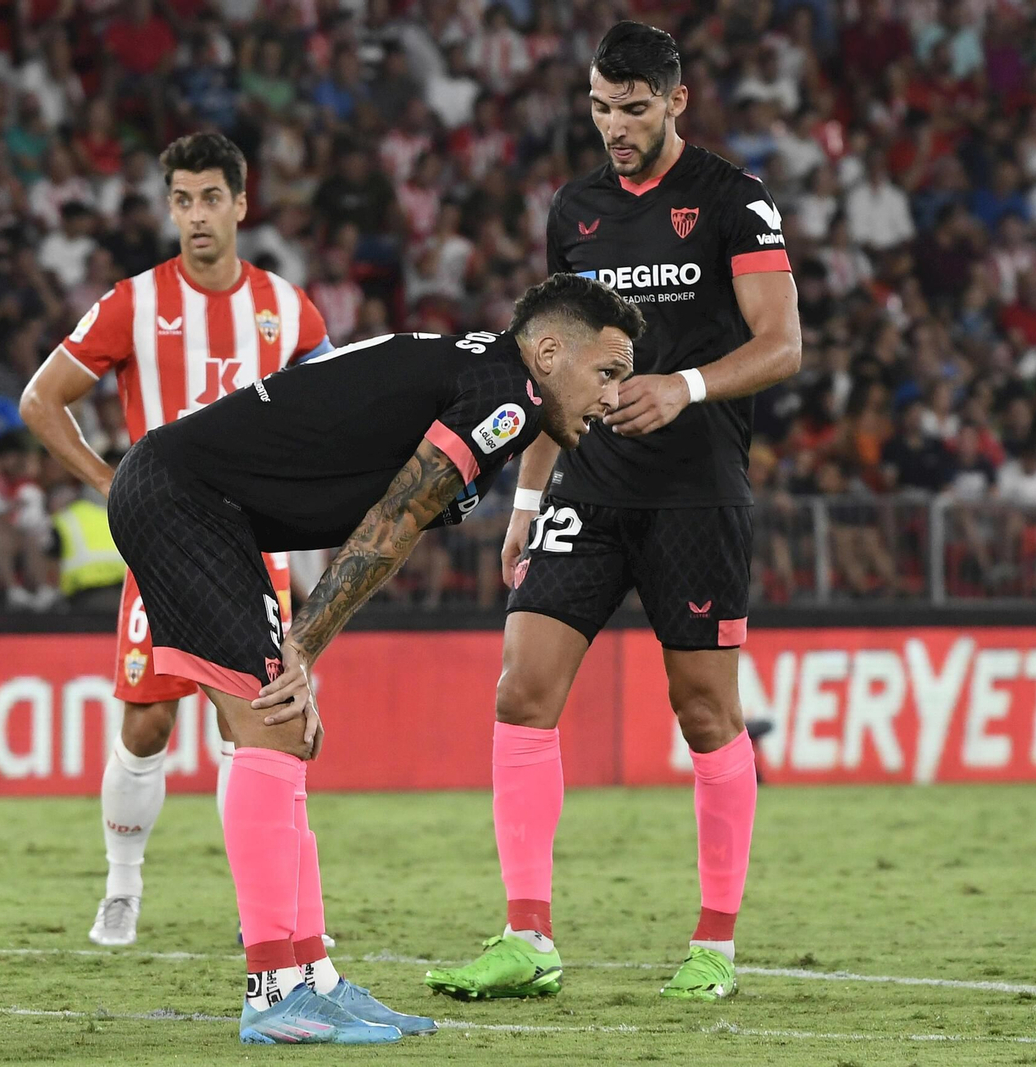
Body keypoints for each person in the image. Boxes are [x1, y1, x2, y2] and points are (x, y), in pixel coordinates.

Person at [108, 272, 642, 1043]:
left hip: (202, 503)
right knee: (271, 725)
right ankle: (272, 990)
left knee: (285, 732)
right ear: (551, 351)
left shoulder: (485, 377)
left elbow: (388, 515)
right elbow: (394, 520)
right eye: (608, 372)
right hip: (183, 498)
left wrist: (301, 649)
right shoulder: (509, 395)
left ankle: (311, 975)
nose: (613, 396)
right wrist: (304, 649)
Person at [422, 21, 802, 1004]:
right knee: (519, 691)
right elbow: (556, 364)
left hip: (695, 492)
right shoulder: (576, 211)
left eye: (634, 106)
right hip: (587, 487)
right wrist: (527, 492)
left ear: (675, 101)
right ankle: (526, 935)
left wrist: (681, 386)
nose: (615, 125)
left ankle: (715, 944)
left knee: (704, 711)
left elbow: (782, 344)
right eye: (600, 106)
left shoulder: (733, 201)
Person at [18, 132, 333, 949]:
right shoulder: (133, 302)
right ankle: (122, 886)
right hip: (162, 552)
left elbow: (335, 414)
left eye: (210, 199)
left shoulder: (288, 309)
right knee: (146, 730)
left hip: (257, 550)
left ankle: (255, 902)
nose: (196, 215)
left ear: (240, 203)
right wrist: (112, 485)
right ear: (171, 208)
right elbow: (42, 400)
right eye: (182, 200)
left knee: (255, 730)